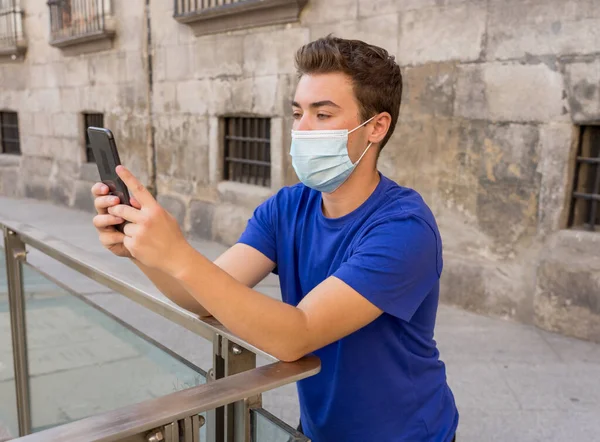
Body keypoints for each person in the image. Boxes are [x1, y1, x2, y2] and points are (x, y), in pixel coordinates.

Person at [91, 36, 459, 441]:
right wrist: (141, 247)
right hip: (320, 428)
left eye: (323, 115)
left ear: (376, 126)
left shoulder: (404, 228)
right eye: (298, 113)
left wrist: (177, 253)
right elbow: (202, 295)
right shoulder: (287, 207)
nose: (301, 129)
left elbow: (295, 335)